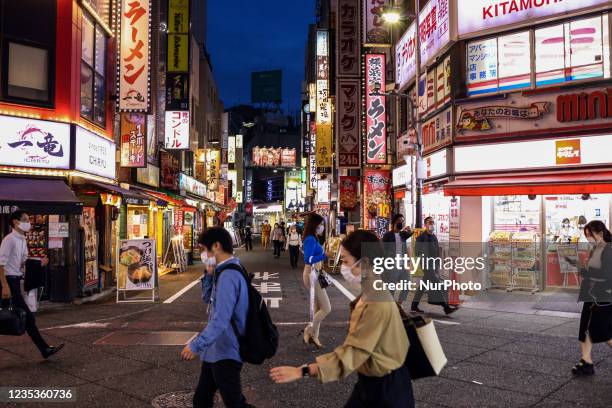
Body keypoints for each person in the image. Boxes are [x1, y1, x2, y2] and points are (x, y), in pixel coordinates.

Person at [270, 230, 414, 408]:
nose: (342, 267)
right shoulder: (372, 292)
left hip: (386, 390)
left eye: (345, 261)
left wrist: (304, 370)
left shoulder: (375, 301)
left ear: (365, 263)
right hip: (374, 382)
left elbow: (351, 354)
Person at [181, 227, 251, 408]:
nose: (203, 254)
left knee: (234, 404)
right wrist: (209, 274)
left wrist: (196, 344)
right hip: (215, 350)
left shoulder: (229, 275)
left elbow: (221, 319)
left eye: (204, 249)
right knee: (201, 400)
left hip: (226, 351)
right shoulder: (223, 270)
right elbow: (207, 298)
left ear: (216, 246)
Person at [0, 210, 64, 359]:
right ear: (16, 222)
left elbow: (22, 261)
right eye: (25, 220)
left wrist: (38, 262)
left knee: (27, 319)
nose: (29, 223)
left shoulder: (22, 239)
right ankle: (44, 349)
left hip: (15, 280)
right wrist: (4, 285)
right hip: (8, 280)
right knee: (28, 318)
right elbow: (0, 264)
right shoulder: (9, 240)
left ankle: (45, 349)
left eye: (28, 220)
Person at [570, 220, 612, 376]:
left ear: (600, 233)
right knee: (586, 330)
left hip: (603, 297)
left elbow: (607, 275)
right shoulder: (597, 249)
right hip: (592, 296)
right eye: (586, 235)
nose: (588, 238)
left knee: (603, 332)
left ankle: (586, 362)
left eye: (590, 235)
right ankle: (586, 362)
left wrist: (585, 272)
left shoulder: (608, 250)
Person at [411, 216, 459, 315]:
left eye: (433, 222)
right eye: (429, 222)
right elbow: (416, 252)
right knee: (436, 284)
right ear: (425, 224)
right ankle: (446, 307)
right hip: (426, 265)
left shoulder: (434, 237)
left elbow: (437, 252)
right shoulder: (421, 237)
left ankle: (414, 305)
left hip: (433, 265)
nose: (432, 224)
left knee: (423, 286)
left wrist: (437, 265)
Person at [302, 214, 330, 348]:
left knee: (319, 308)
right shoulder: (310, 239)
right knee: (326, 308)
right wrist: (324, 255)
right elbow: (308, 259)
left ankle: (314, 337)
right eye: (321, 224)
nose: (322, 227)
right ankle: (309, 330)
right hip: (311, 274)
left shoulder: (313, 238)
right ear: (315, 225)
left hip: (316, 273)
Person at [382, 214, 413, 305]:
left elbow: (410, 234)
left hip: (402, 265)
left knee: (406, 285)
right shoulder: (387, 235)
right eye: (399, 221)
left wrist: (408, 262)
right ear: (394, 222)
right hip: (392, 265)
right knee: (391, 287)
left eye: (402, 221)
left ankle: (399, 304)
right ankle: (391, 306)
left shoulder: (403, 235)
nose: (401, 223)